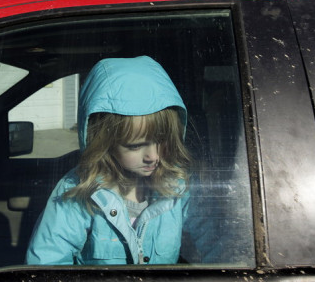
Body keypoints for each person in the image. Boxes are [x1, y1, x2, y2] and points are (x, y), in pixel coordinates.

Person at [25, 56, 192, 265]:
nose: (153, 156)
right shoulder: (80, 191)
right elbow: (47, 265)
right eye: (135, 146)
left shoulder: (178, 186)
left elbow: (217, 241)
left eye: (161, 141)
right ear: (104, 142)